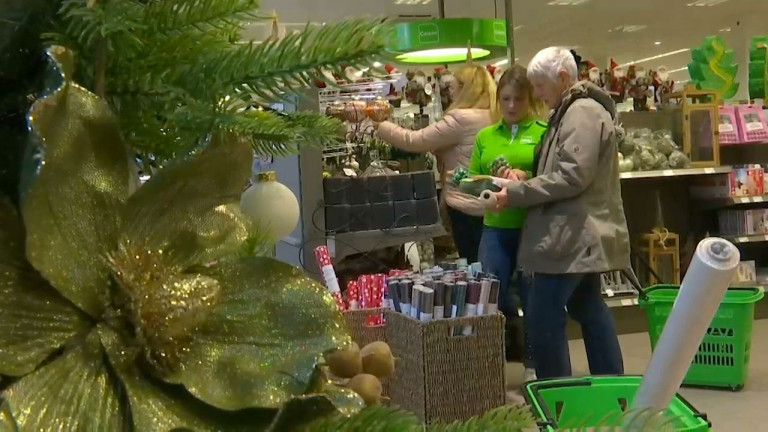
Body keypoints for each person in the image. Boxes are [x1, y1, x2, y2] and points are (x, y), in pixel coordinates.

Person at [490, 46, 630, 379]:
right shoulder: (573, 111)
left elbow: (573, 176)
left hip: (570, 235)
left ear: (563, 78)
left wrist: (518, 192)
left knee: (542, 315)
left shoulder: (580, 112)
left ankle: (556, 398)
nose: (537, 94)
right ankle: (613, 388)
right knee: (588, 308)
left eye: (540, 86)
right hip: (579, 233)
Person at [469, 65, 547, 380]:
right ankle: (493, 362)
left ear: (529, 99)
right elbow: (472, 180)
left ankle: (532, 364)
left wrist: (526, 177)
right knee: (492, 295)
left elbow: (553, 179)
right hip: (496, 227)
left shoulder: (544, 132)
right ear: (498, 100)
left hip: (532, 226)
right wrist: (487, 184)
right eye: (506, 99)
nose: (512, 106)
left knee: (533, 296)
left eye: (519, 99)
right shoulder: (485, 137)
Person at [376, 65, 498, 262]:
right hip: (491, 200)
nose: (451, 91)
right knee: (489, 260)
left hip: (465, 202)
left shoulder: (461, 119)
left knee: (473, 261)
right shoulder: (494, 115)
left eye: (454, 86)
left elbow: (414, 141)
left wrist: (381, 126)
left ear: (464, 88)